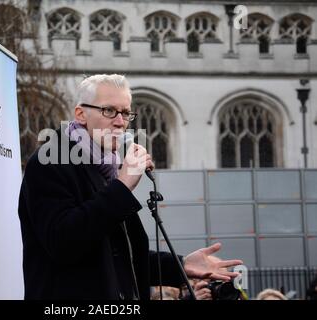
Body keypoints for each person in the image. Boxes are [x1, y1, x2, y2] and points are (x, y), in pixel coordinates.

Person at [18, 74, 243, 300]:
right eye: (109, 111)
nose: (119, 121)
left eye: (125, 113)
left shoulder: (107, 170)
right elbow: (63, 242)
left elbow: (121, 257)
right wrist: (123, 186)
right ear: (81, 114)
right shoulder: (50, 162)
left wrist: (181, 264)